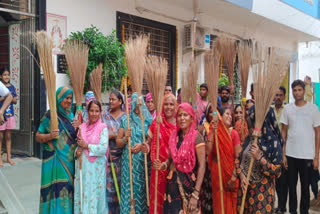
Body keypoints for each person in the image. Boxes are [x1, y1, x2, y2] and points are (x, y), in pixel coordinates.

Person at [154, 103, 206, 214]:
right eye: (179, 115)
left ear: (191, 119)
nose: (182, 118)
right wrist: (163, 165)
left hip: (190, 189)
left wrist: (196, 194)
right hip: (172, 188)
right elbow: (170, 160)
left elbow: (202, 166)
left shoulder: (197, 137)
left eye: (185, 115)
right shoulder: (174, 136)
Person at [36, 87, 78, 214]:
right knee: (56, 189)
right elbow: (38, 136)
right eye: (67, 98)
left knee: (67, 191)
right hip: (55, 160)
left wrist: (79, 128)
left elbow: (76, 139)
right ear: (59, 99)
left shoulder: (72, 116)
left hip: (69, 161)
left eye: (71, 98)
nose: (69, 101)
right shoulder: (50, 115)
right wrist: (50, 136)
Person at [281, 80, 320, 214]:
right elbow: (284, 132)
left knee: (305, 188)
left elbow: (317, 133)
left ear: (304, 91)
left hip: (307, 156)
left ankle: (304, 211)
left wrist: (316, 157)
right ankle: (293, 211)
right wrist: (283, 154)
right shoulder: (288, 109)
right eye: (294, 90)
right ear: (292, 92)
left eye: (299, 90)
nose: (297, 92)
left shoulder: (313, 109)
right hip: (291, 155)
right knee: (291, 187)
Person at [236, 106, 283, 213]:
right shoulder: (249, 139)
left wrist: (260, 158)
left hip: (262, 196)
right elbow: (238, 160)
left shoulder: (274, 143)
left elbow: (277, 172)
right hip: (245, 192)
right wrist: (242, 175)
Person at [116, 92, 153, 214]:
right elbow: (118, 142)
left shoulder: (148, 121)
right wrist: (125, 138)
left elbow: (152, 141)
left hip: (143, 163)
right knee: (129, 190)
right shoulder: (125, 120)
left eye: (139, 106)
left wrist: (143, 144)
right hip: (129, 163)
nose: (137, 109)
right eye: (135, 105)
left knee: (143, 190)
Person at [141, 93, 177, 214]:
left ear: (176, 106)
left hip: (174, 170)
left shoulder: (180, 123)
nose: (168, 107)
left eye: (171, 104)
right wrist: (146, 145)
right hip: (158, 170)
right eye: (166, 104)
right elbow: (148, 141)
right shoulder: (157, 122)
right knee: (157, 201)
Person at [74, 100, 109, 213]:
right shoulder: (82, 127)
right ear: (87, 112)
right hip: (83, 170)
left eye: (97, 111)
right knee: (82, 195)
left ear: (100, 113)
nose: (94, 113)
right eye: (91, 111)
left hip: (96, 172)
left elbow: (103, 149)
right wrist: (77, 152)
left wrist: (87, 146)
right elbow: (78, 146)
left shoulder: (103, 128)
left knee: (95, 197)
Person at [206, 106, 241, 214]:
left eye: (231, 114)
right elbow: (208, 151)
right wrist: (213, 131)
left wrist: (234, 176)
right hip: (217, 173)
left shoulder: (233, 133)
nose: (230, 116)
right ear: (220, 117)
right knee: (219, 203)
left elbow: (238, 156)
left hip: (230, 174)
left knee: (231, 204)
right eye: (227, 114)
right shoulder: (213, 131)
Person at [103, 90, 125, 213]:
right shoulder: (104, 116)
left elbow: (127, 134)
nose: (110, 101)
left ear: (120, 101)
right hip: (107, 158)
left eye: (113, 99)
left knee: (121, 188)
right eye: (110, 99)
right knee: (108, 189)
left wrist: (114, 135)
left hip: (121, 159)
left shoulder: (125, 117)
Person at [271, 86, 288, 214]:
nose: (278, 97)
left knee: (284, 180)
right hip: (271, 149)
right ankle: (278, 205)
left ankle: (282, 206)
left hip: (285, 148)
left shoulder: (287, 110)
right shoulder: (268, 109)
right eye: (276, 95)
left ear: (284, 97)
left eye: (280, 95)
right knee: (275, 179)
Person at [0, 68, 18, 166]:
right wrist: (4, 97)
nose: (7, 77)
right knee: (0, 136)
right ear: (0, 76)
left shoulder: (12, 87)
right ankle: (0, 159)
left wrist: (11, 98)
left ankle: (8, 158)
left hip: (10, 115)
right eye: (4, 75)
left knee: (8, 136)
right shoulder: (0, 87)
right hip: (1, 116)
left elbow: (15, 101)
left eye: (8, 75)